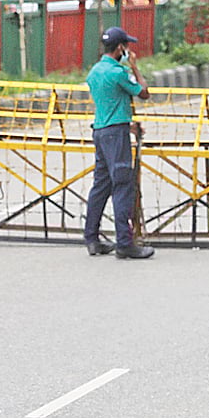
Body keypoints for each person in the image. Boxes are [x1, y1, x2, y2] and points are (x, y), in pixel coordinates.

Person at [83, 26, 153, 259]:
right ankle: (125, 242)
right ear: (120, 48)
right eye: (127, 46)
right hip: (116, 136)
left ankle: (91, 238)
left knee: (100, 185)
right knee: (123, 184)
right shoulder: (118, 73)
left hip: (101, 131)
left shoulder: (94, 72)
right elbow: (143, 92)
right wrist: (134, 66)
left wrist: (128, 124)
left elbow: (109, 105)